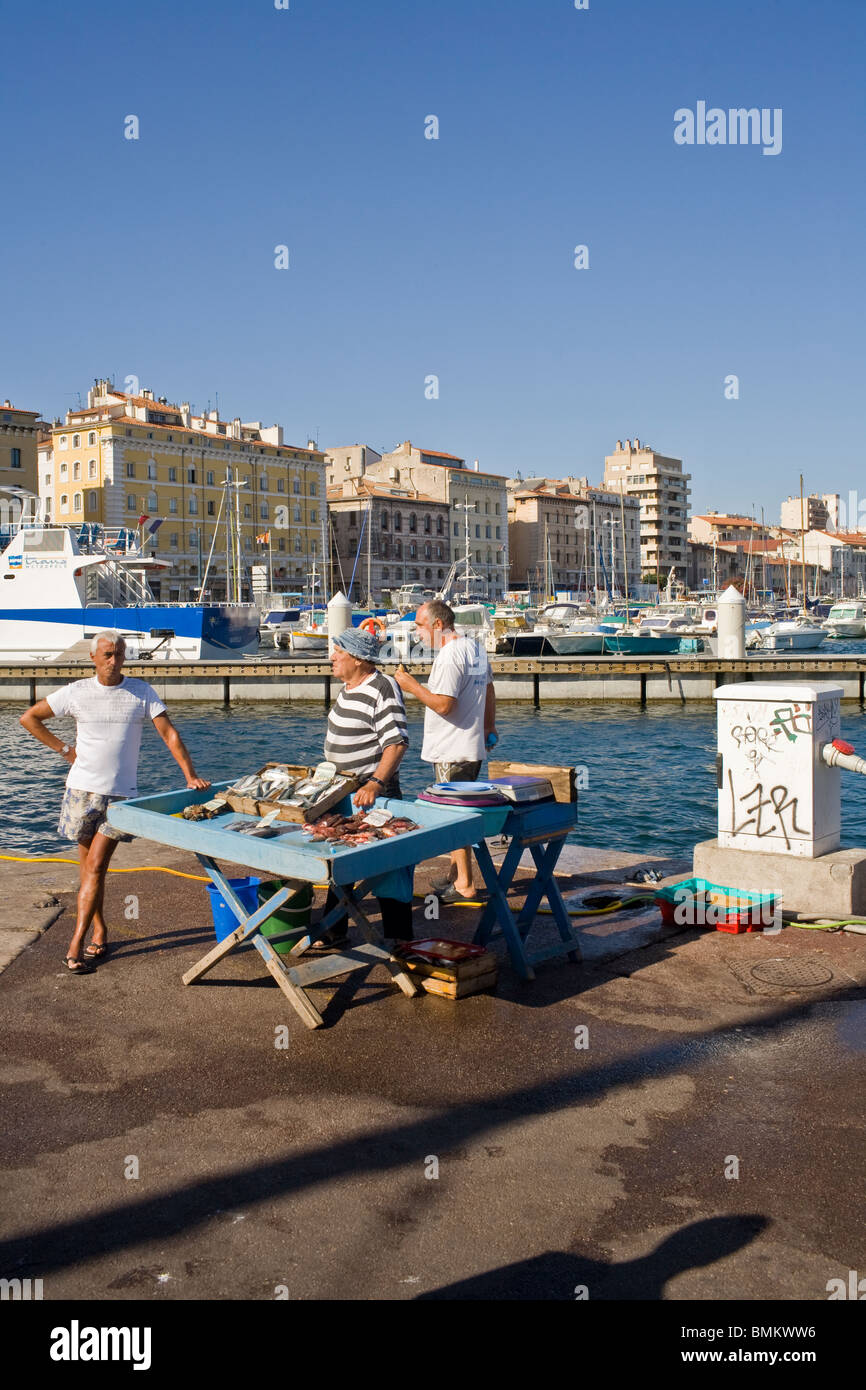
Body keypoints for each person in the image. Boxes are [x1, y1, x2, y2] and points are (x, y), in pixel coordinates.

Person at [19, 630, 210, 974]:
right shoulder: (76, 692)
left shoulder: (141, 691)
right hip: (80, 791)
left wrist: (189, 775)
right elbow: (29, 718)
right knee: (91, 870)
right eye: (107, 654)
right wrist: (64, 750)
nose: (114, 660)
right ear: (93, 657)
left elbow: (169, 733)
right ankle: (100, 928)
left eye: (119, 654)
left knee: (94, 867)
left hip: (120, 796)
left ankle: (76, 942)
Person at [312, 625, 412, 948]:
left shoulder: (383, 687)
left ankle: (399, 940)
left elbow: (396, 743)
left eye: (338, 652)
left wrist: (375, 783)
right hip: (342, 793)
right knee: (341, 862)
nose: (332, 658)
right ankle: (333, 929)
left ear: (357, 658)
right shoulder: (347, 687)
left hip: (373, 797)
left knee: (388, 867)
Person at [394, 599, 496, 902]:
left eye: (420, 626)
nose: (418, 633)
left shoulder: (450, 655)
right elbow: (489, 688)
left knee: (453, 816)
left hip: (451, 748)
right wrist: (489, 727)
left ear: (438, 625)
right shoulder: (474, 647)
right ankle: (455, 875)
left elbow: (444, 704)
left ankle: (464, 883)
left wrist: (410, 685)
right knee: (460, 809)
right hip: (472, 744)